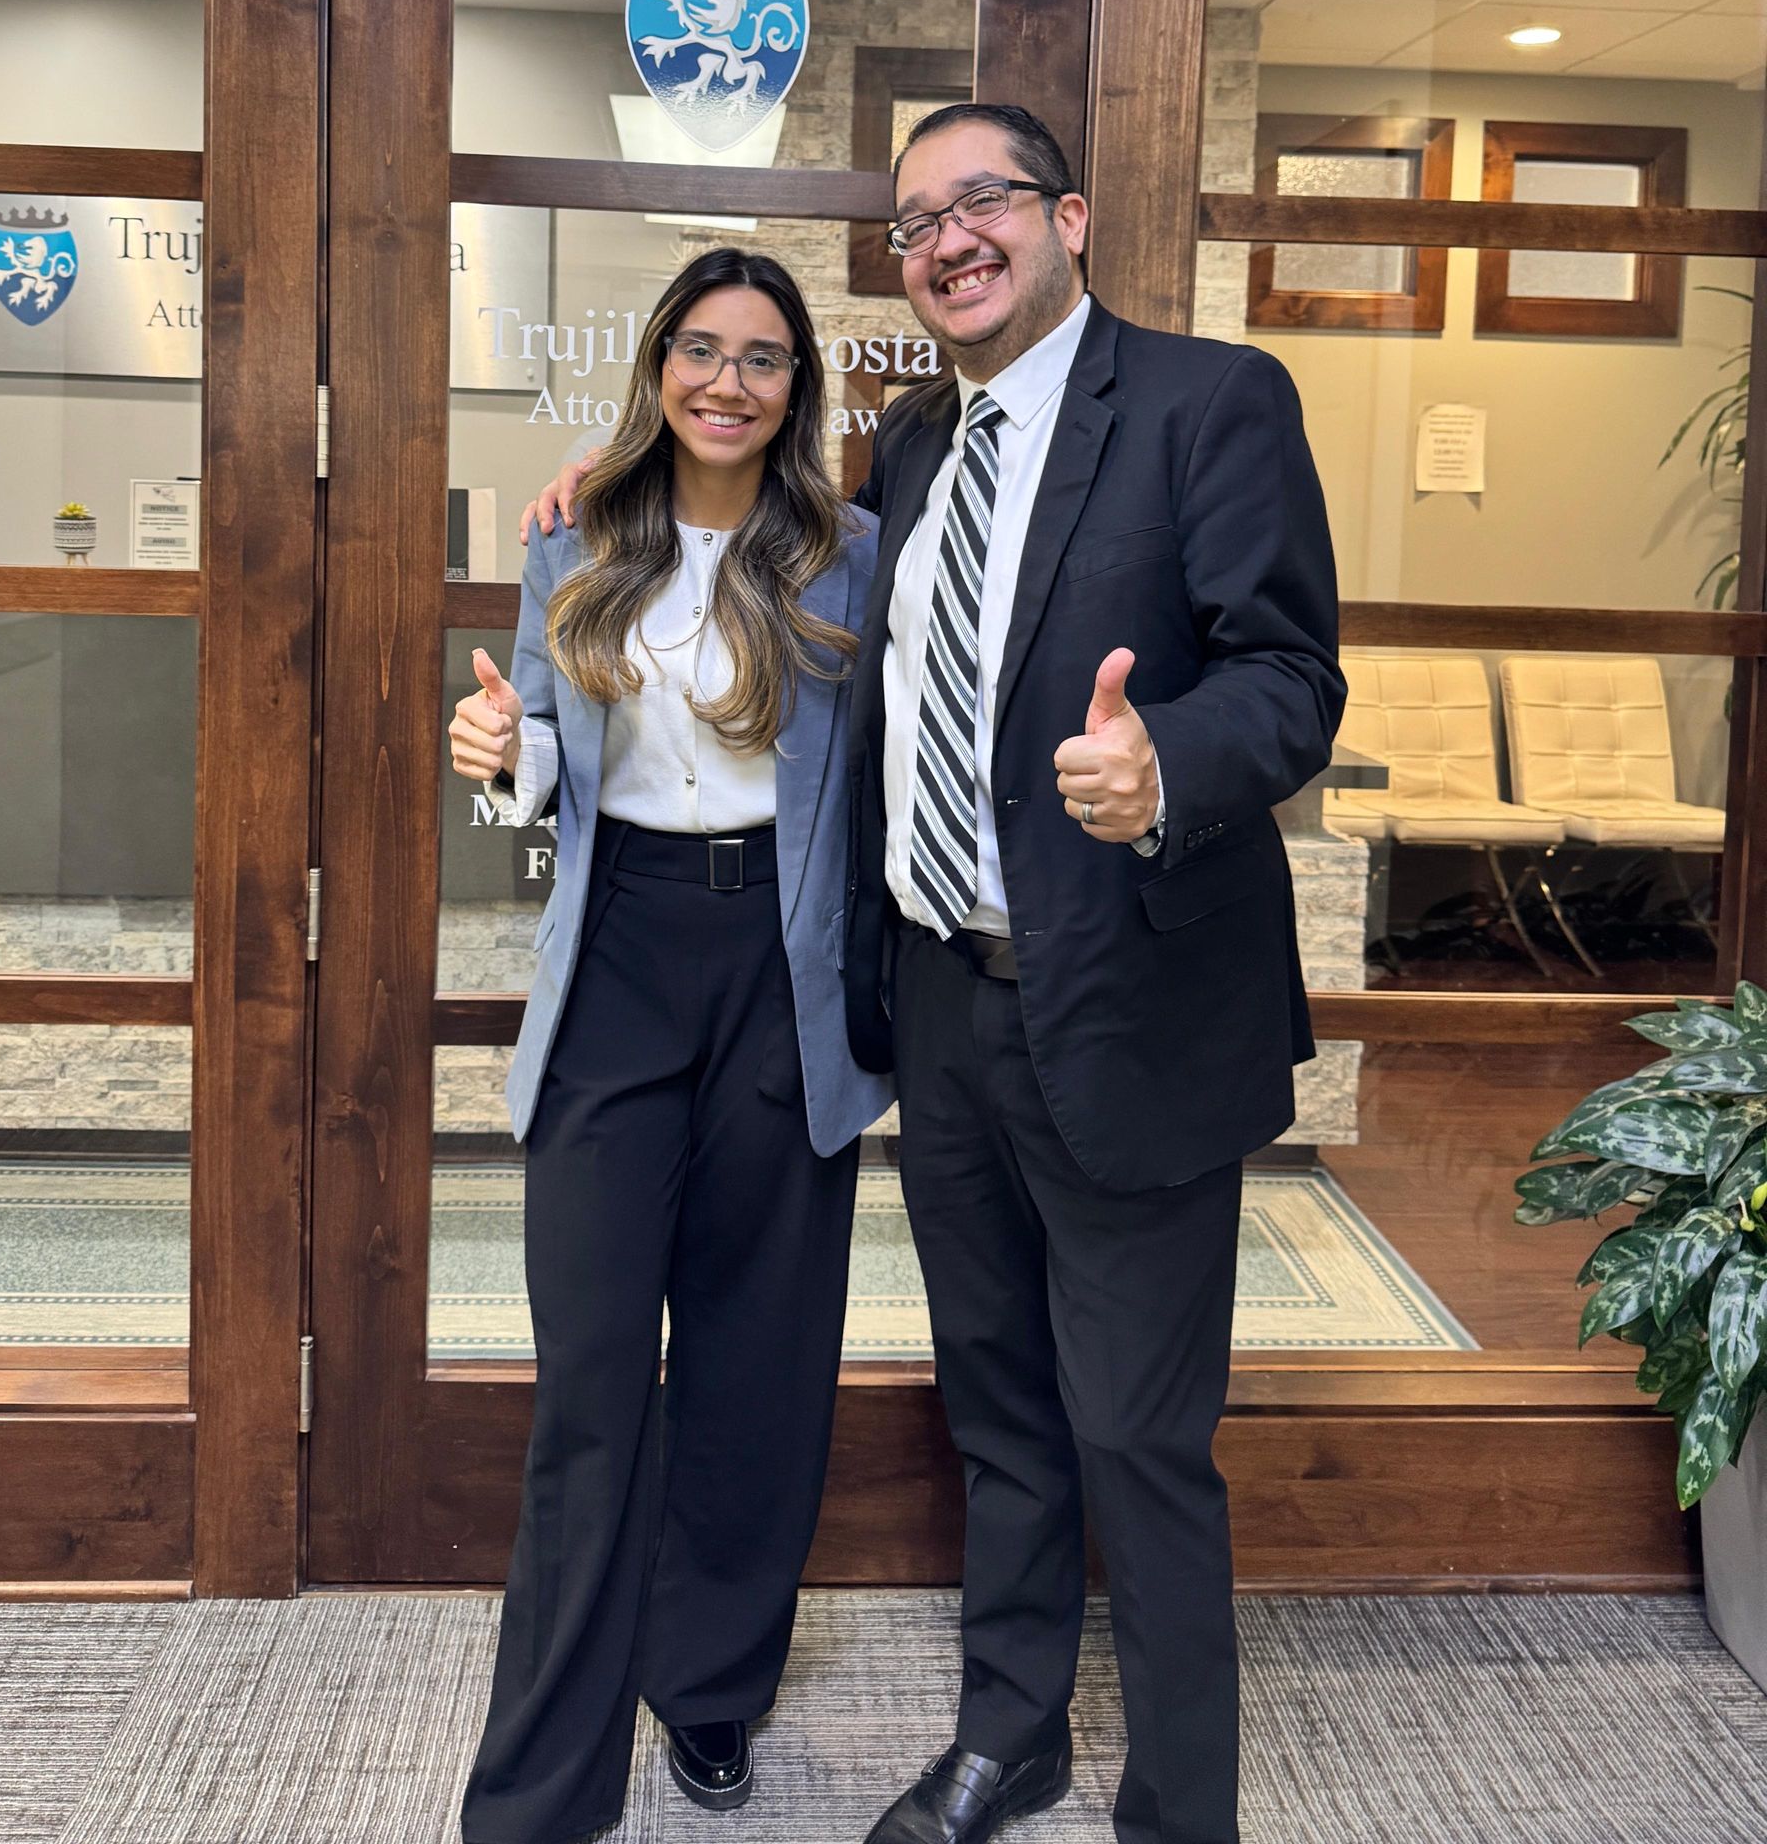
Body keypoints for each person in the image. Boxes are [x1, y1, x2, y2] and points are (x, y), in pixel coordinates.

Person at [524, 105, 1343, 1844]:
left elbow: (1291, 677)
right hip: (946, 1008)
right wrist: (601, 498)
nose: (950, 237)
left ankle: (1181, 1805)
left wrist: (1169, 766)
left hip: (1134, 1008)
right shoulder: (904, 449)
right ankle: (1010, 1734)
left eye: (983, 202)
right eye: (916, 221)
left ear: (1066, 219)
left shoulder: (1210, 403)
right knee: (1003, 1409)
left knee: (1138, 1434)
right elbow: (747, 535)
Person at [450, 245, 889, 1843]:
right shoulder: (574, 532)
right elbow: (541, 774)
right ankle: (540, 1791)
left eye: (762, 357)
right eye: (699, 351)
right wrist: (498, 756)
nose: (727, 381)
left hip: (784, 973)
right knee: (589, 1387)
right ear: (656, 369)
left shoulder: (855, 557)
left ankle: (708, 1689)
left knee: (756, 1367)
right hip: (620, 954)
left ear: (797, 389)